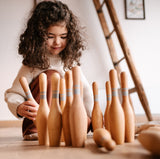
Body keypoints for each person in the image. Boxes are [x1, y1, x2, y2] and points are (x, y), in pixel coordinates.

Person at [4, 0, 93, 140]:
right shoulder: (33, 63)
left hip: (65, 119)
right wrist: (19, 107)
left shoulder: (70, 61)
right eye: (50, 37)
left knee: (76, 94)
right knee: (51, 76)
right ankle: (34, 130)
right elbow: (13, 94)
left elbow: (86, 92)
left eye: (63, 37)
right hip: (39, 123)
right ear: (38, 37)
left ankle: (67, 128)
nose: (57, 42)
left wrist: (93, 118)